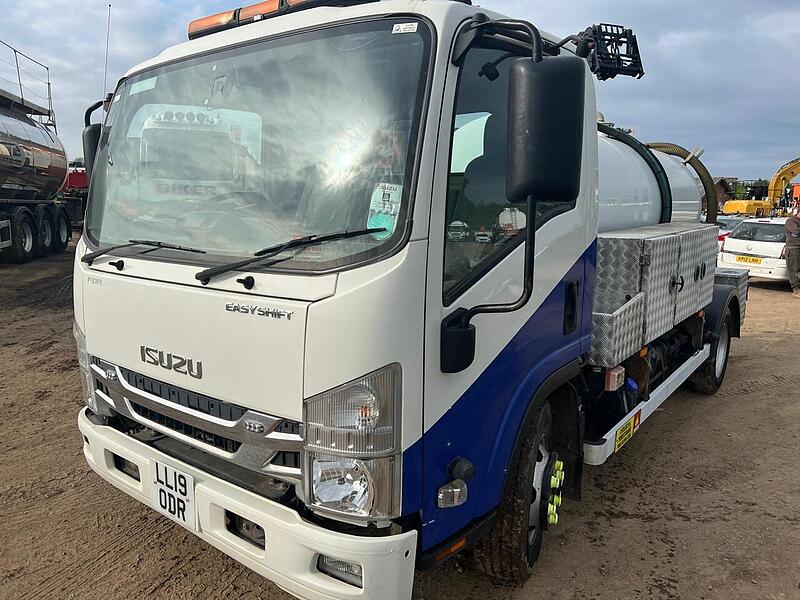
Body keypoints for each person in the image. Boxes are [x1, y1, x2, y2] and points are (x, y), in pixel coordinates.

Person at [786, 210, 800, 298]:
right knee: (794, 270)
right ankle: (796, 291)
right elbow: (796, 231)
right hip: (793, 248)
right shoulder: (791, 221)